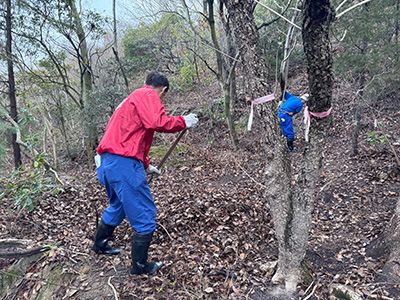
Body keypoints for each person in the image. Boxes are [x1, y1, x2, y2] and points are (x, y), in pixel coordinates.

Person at [92, 71, 198, 276]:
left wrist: (145, 165)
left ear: (145, 82)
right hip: (123, 164)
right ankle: (139, 267)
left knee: (119, 205)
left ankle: (100, 244)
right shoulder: (148, 95)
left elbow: (131, 136)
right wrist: (183, 121)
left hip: (108, 162)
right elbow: (157, 123)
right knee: (144, 213)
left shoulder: (130, 100)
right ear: (163, 89)